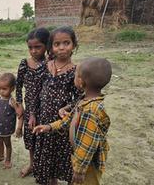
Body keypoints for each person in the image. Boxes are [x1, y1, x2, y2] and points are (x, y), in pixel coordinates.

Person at [33, 57, 112, 185]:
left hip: (88, 165)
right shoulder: (84, 101)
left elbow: (87, 146)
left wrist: (79, 170)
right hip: (81, 160)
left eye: (75, 75)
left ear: (81, 82)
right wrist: (49, 126)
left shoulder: (90, 111)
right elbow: (69, 120)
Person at [32, 27, 83, 185]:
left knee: (62, 155)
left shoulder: (76, 71)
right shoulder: (44, 67)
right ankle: (51, 181)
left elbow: (80, 98)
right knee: (47, 157)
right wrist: (33, 114)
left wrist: (67, 107)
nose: (61, 47)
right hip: (44, 119)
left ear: (73, 45)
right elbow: (35, 92)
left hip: (63, 124)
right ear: (51, 47)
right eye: (57, 44)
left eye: (66, 43)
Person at [15, 28, 49, 177]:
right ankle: (32, 164)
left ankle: (43, 167)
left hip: (47, 109)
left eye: (38, 47)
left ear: (47, 45)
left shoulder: (51, 65)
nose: (33, 51)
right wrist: (19, 104)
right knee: (31, 138)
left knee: (44, 138)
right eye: (30, 47)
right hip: (29, 108)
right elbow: (18, 85)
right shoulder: (25, 63)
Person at [0, 73, 22, 169]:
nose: (1, 91)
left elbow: (20, 113)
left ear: (12, 88)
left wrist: (19, 127)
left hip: (7, 128)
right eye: (0, 88)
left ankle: (8, 159)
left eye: (4, 89)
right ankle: (1, 155)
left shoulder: (12, 101)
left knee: (7, 143)